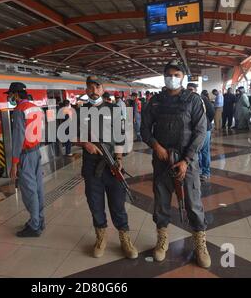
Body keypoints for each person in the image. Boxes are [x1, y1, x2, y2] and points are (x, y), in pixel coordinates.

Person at [141, 60, 211, 268]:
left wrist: (186, 160)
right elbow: (144, 130)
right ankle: (162, 241)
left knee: (193, 204)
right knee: (161, 203)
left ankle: (200, 243)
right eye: (169, 74)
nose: (173, 78)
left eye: (177, 74)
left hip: (186, 162)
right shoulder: (154, 102)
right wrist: (156, 147)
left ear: (183, 77)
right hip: (162, 161)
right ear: (164, 77)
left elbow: (200, 132)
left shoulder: (193, 100)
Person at [75, 75, 138, 259]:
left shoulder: (114, 109)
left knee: (118, 204)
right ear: (86, 90)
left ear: (102, 89)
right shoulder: (79, 111)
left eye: (97, 87)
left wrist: (118, 158)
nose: (94, 90)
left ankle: (125, 239)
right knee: (95, 204)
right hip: (91, 166)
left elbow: (120, 137)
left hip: (112, 165)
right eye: (90, 87)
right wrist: (85, 143)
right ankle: (101, 238)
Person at [7, 82, 45, 237]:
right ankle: (39, 220)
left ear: (16, 94)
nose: (10, 97)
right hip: (36, 152)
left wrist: (14, 163)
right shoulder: (35, 107)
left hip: (25, 155)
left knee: (29, 191)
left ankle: (34, 226)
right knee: (38, 189)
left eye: (10, 95)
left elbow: (17, 138)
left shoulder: (19, 110)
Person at [189, 84, 214, 181]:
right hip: (193, 129)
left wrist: (205, 121)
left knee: (204, 151)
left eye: (191, 89)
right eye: (188, 90)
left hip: (205, 129)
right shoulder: (187, 100)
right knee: (196, 150)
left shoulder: (202, 99)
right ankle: (198, 170)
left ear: (196, 90)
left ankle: (206, 172)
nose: (189, 91)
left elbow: (211, 112)